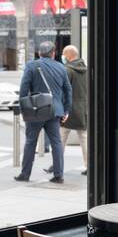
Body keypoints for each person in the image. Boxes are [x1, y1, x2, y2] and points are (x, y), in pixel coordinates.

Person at [14, 41, 72, 183]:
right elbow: (68, 90)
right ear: (53, 53)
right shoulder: (61, 67)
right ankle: (58, 175)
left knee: (30, 142)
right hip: (54, 111)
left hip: (36, 111)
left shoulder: (31, 66)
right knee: (56, 143)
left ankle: (25, 174)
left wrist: (23, 109)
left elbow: (23, 89)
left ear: (39, 53)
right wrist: (66, 110)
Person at [45, 45, 88, 175]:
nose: (62, 56)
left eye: (64, 54)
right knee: (84, 138)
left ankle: (56, 165)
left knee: (60, 138)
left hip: (68, 109)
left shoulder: (66, 70)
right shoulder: (85, 69)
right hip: (82, 109)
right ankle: (89, 165)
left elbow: (62, 91)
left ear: (69, 55)